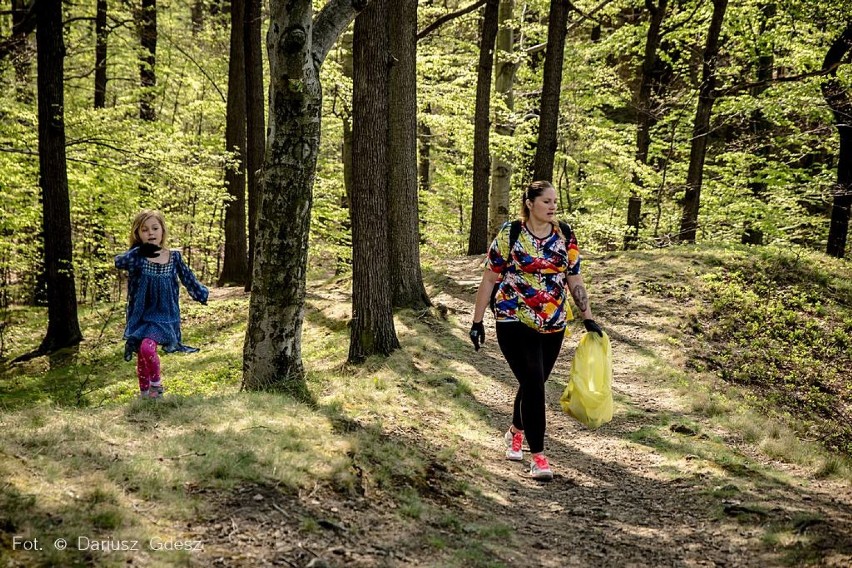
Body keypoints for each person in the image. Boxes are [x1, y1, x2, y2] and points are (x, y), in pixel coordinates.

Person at [469, 181, 603, 480]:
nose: (553, 206)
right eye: (546, 201)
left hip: (553, 322)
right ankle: (539, 457)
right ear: (529, 203)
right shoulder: (511, 233)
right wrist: (477, 322)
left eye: (555, 201)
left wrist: (588, 317)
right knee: (534, 381)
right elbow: (490, 279)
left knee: (535, 381)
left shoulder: (564, 234)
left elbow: (575, 280)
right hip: (512, 316)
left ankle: (516, 430)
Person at [115, 210, 209, 399]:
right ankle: (144, 395)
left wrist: (201, 294)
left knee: (147, 348)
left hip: (164, 316)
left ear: (162, 231)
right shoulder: (137, 258)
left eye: (155, 228)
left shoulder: (173, 257)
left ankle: (156, 389)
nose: (150, 233)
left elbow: (188, 278)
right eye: (145, 230)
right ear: (138, 234)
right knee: (142, 355)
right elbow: (119, 262)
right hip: (140, 314)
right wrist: (140, 250)